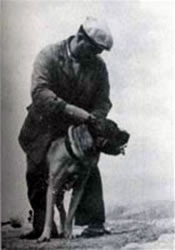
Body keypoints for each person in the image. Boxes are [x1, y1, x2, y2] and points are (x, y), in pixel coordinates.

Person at [18, 16, 113, 239]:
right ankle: (43, 226)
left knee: (88, 166)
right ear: (81, 38)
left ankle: (94, 223)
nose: (97, 56)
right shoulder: (49, 55)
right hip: (43, 124)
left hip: (79, 128)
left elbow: (103, 101)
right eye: (95, 49)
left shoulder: (98, 67)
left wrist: (94, 121)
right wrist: (72, 111)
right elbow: (40, 92)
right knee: (37, 169)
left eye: (100, 52)